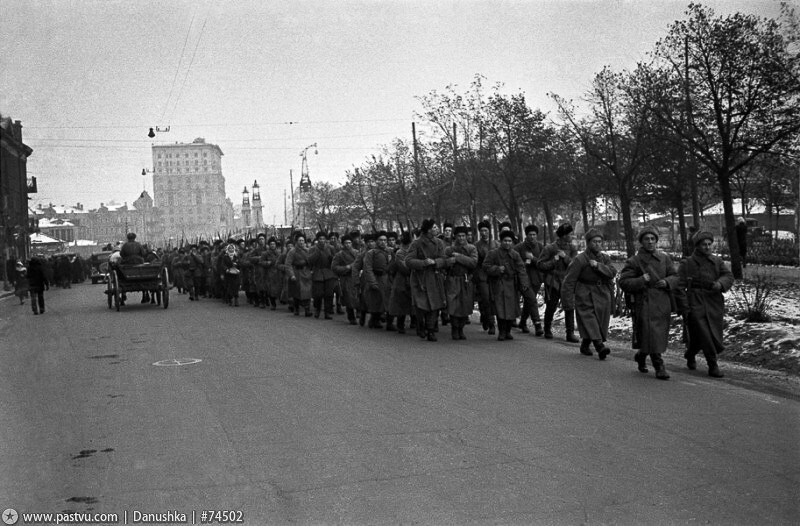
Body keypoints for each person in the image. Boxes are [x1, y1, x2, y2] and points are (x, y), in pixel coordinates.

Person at [619, 227, 680, 380]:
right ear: (641, 242)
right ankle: (659, 365)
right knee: (650, 332)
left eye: (653, 239)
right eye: (647, 239)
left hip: (661, 301)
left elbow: (675, 276)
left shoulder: (664, 258)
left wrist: (666, 282)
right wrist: (641, 280)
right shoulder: (634, 261)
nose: (650, 242)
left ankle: (641, 355)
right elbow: (624, 282)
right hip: (644, 302)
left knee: (657, 334)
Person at [675, 231, 734, 378]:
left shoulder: (717, 261)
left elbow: (728, 275)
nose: (707, 247)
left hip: (713, 301)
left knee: (705, 334)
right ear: (697, 246)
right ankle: (712, 364)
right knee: (705, 333)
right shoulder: (687, 263)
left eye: (709, 244)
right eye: (704, 245)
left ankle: (690, 353)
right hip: (695, 301)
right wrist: (684, 306)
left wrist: (720, 284)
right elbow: (679, 286)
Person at [561, 229, 617, 359]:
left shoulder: (604, 258)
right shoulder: (580, 259)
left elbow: (612, 272)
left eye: (599, 242)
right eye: (594, 242)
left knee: (600, 321)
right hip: (584, 292)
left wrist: (598, 266)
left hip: (602, 292)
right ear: (588, 243)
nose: (597, 244)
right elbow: (569, 281)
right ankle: (599, 346)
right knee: (589, 318)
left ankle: (585, 345)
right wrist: (567, 300)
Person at [483, 230, 529, 341]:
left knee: (511, 309)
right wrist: (497, 269)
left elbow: (521, 269)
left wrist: (524, 284)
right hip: (499, 284)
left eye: (509, 241)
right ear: (501, 241)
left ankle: (508, 331)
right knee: (500, 309)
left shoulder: (515, 255)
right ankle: (502, 331)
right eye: (505, 241)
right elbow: (485, 266)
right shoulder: (493, 253)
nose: (507, 243)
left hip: (512, 285)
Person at [406, 219, 448, 342]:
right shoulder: (416, 244)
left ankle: (430, 330)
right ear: (428, 230)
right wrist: (423, 262)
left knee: (434, 305)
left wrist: (436, 262)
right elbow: (408, 261)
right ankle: (421, 325)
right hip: (420, 279)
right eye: (434, 227)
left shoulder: (440, 243)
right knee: (421, 305)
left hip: (435, 277)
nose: (436, 229)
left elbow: (444, 258)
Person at [537, 223, 579, 342]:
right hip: (553, 282)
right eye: (570, 234)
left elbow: (575, 266)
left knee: (569, 307)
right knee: (551, 306)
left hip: (567, 282)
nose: (572, 236)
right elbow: (540, 265)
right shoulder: (550, 248)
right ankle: (547, 329)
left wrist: (565, 257)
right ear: (563, 235)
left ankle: (570, 333)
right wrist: (553, 261)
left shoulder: (572, 249)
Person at [444, 226, 478, 340]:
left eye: (463, 236)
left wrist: (459, 257)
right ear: (455, 236)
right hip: (453, 279)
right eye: (459, 236)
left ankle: (461, 329)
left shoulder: (472, 248)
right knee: (453, 305)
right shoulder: (449, 249)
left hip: (466, 279)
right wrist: (449, 262)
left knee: (465, 305)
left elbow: (473, 262)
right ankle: (454, 328)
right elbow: (444, 262)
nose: (461, 238)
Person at [514, 224, 545, 336]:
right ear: (526, 236)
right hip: (524, 279)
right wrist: (524, 262)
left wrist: (533, 259)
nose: (532, 237)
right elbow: (514, 262)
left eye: (534, 234)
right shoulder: (519, 248)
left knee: (529, 301)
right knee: (532, 299)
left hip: (536, 279)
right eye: (530, 234)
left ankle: (522, 322)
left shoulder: (540, 247)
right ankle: (537, 324)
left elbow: (543, 264)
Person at [363, 231, 393, 329]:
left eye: (385, 240)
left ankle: (389, 322)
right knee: (376, 300)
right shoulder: (371, 253)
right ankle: (374, 319)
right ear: (376, 241)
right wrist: (372, 282)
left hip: (387, 278)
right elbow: (368, 268)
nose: (383, 242)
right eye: (380, 240)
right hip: (376, 277)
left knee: (388, 300)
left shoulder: (390, 251)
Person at [474, 220, 498, 335]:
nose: (484, 233)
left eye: (486, 230)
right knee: (486, 299)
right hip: (482, 276)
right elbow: (475, 262)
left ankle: (487, 317)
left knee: (494, 300)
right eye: (482, 231)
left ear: (490, 231)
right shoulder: (476, 246)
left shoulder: (496, 244)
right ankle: (491, 323)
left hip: (495, 275)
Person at [387, 231, 414, 334]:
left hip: (412, 279)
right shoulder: (399, 253)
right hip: (401, 280)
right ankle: (400, 324)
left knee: (413, 303)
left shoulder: (413, 251)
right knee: (400, 303)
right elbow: (404, 268)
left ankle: (414, 322)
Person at [307, 231, 338, 319]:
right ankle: (317, 309)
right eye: (320, 239)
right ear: (317, 240)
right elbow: (309, 261)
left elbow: (335, 259)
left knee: (329, 294)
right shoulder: (313, 249)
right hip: (317, 273)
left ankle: (327, 312)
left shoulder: (330, 248)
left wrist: (331, 259)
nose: (322, 240)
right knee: (318, 294)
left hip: (328, 272)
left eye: (323, 239)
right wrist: (317, 253)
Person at [332, 234, 359, 324]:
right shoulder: (339, 255)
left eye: (349, 243)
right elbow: (334, 267)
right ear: (343, 244)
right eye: (346, 243)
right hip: (346, 278)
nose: (348, 245)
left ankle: (360, 313)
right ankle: (351, 316)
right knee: (349, 298)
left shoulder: (357, 253)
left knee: (359, 296)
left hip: (357, 277)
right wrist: (346, 267)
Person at [286, 231, 313, 316]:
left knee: (307, 291)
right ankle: (296, 308)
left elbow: (312, 262)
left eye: (302, 240)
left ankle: (307, 310)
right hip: (297, 273)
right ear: (296, 241)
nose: (301, 242)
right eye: (299, 240)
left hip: (306, 273)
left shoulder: (308, 251)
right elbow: (288, 264)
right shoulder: (292, 251)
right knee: (297, 292)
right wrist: (291, 275)